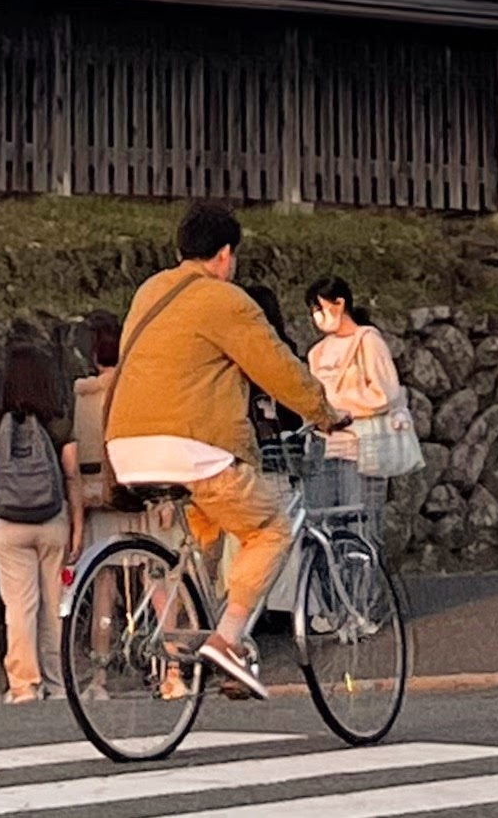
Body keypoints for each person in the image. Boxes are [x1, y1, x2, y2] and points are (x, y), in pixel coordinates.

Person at [105, 202, 330, 699]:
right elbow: (275, 366)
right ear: (226, 255)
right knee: (269, 529)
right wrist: (324, 410)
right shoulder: (225, 300)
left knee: (205, 536)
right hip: (193, 447)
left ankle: (200, 635)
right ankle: (228, 642)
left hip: (126, 446)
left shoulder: (150, 291)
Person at [0, 337, 82, 704]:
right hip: (52, 521)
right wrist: (78, 527)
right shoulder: (57, 422)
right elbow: (71, 477)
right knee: (54, 606)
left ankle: (24, 684)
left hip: (9, 525)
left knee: (19, 606)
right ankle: (57, 683)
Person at [304, 276, 404, 525]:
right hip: (325, 449)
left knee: (362, 524)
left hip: (362, 449)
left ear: (339, 304)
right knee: (324, 525)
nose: (316, 317)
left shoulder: (368, 341)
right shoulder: (317, 352)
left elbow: (385, 393)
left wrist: (340, 406)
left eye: (320, 309)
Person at [67, 313, 126, 559]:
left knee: (103, 570)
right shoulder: (127, 389)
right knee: (150, 568)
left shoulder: (81, 393)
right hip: (122, 484)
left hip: (89, 487)